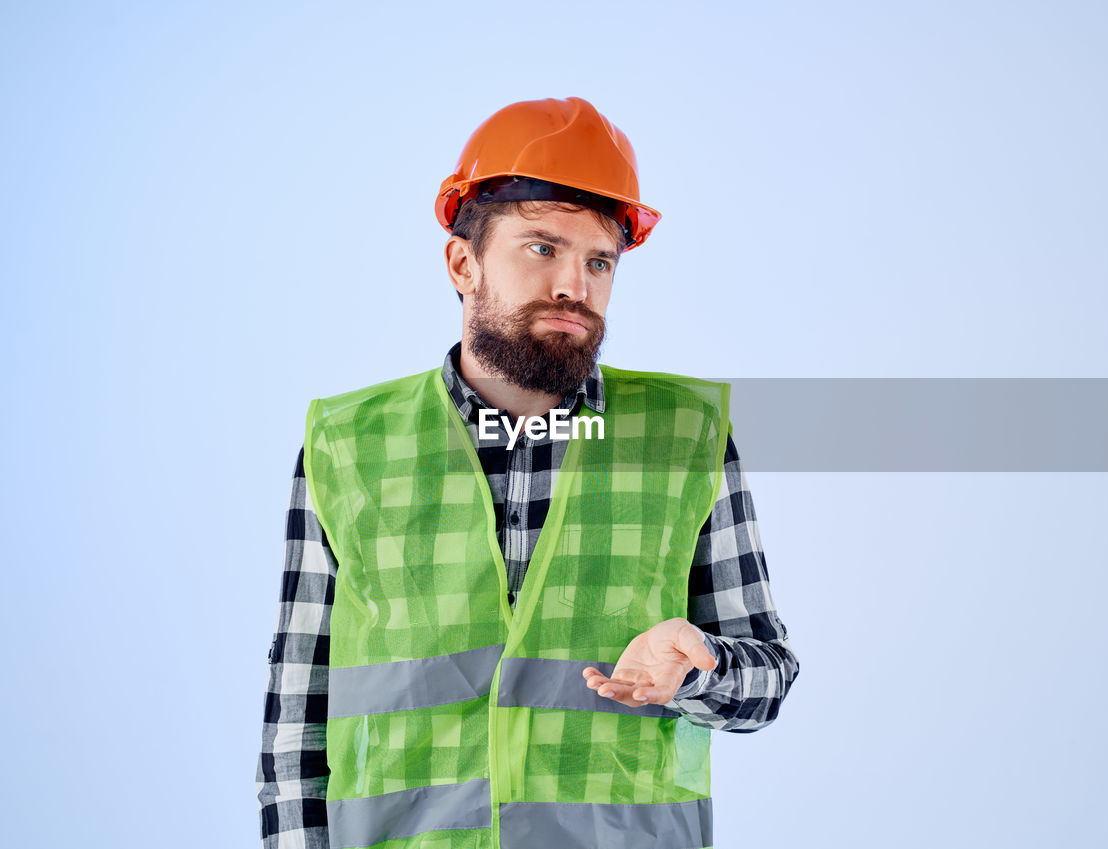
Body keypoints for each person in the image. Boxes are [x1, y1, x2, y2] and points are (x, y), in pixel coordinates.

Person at [256, 96, 799, 849]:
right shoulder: (349, 443)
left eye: (598, 260)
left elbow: (768, 676)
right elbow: (296, 716)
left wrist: (701, 670)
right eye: (543, 248)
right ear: (462, 261)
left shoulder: (684, 435)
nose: (575, 284)